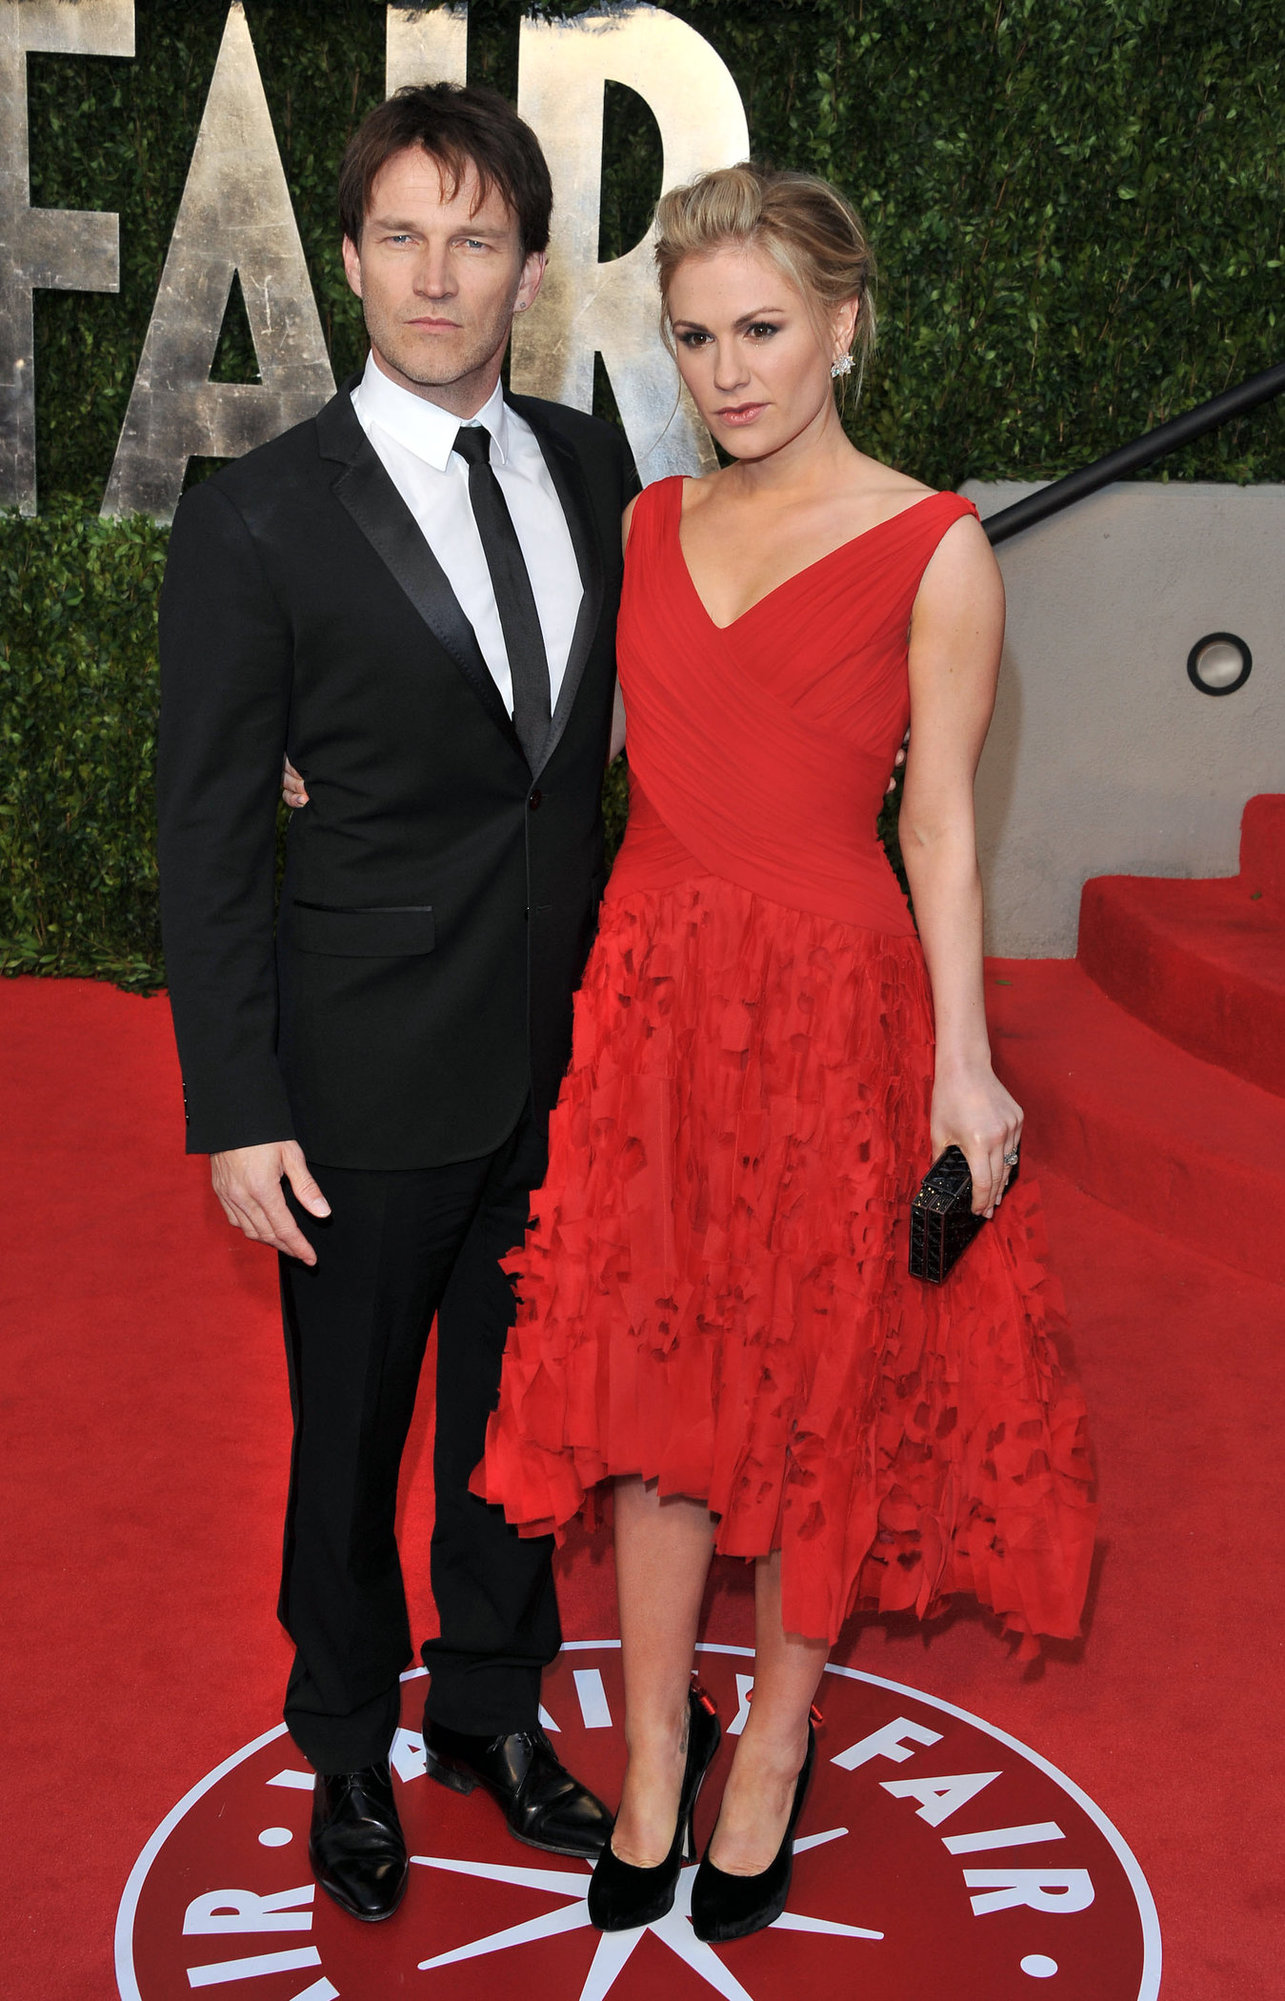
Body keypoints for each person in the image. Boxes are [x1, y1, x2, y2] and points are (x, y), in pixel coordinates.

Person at [470, 164, 1097, 1944]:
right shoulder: (647, 524)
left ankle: (774, 1750)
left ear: (843, 324)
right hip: (655, 1015)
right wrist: (332, 764)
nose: (728, 370)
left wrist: (961, 1070)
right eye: (692, 338)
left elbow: (944, 837)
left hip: (833, 1015)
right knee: (665, 1409)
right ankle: (658, 1746)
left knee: (820, 1400)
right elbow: (533, 745)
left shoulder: (936, 545)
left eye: (760, 330)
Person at [156, 83, 634, 1924]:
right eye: (405, 237)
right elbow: (205, 829)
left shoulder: (592, 468)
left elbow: (580, 757)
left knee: (518, 1428)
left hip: (561, 1058)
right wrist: (235, 1099)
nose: (441, 276)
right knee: (346, 1435)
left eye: (481, 238)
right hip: (352, 1074)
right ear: (345, 257)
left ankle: (495, 1717)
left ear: (529, 268)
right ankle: (348, 1739)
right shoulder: (260, 517)